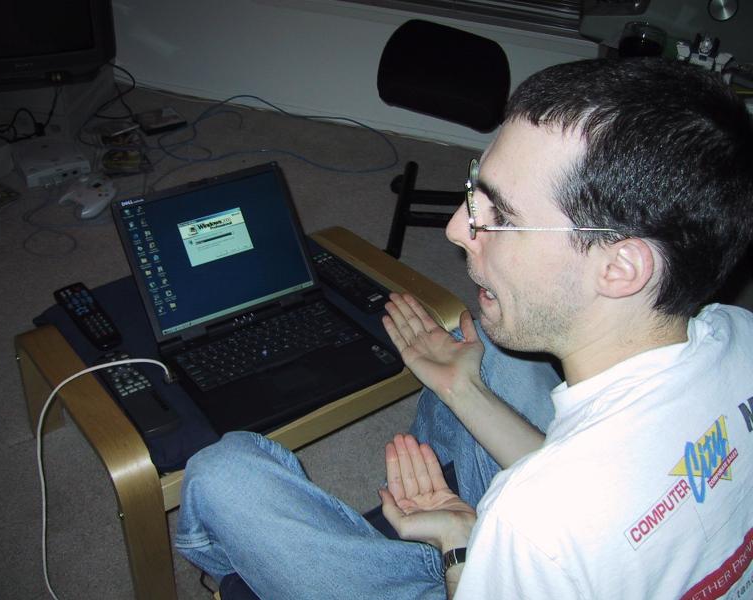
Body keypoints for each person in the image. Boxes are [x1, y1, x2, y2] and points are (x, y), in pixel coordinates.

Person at [175, 57, 753, 599]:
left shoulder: (536, 526)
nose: (456, 229)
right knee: (494, 346)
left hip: (491, 562)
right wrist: (462, 388)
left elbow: (555, 515)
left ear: (620, 267)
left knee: (222, 476)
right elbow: (589, 483)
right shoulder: (739, 332)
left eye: (501, 215)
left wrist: (459, 543)